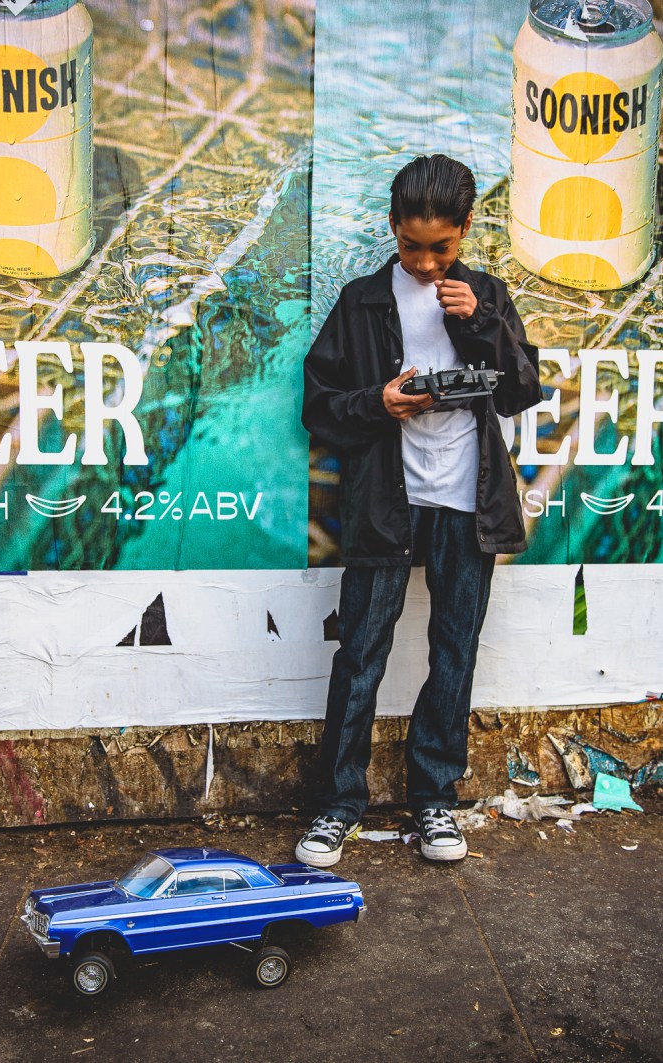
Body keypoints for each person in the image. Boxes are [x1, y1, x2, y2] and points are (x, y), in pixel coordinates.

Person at [297, 153, 541, 867]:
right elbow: (318, 405)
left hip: (469, 500)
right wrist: (379, 401)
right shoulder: (363, 301)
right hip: (386, 500)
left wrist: (485, 322)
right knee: (361, 653)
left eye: (442, 246)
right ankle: (339, 805)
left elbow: (522, 387)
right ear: (393, 229)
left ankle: (435, 799)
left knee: (454, 651)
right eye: (412, 245)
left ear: (465, 230)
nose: (428, 262)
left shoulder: (485, 294)